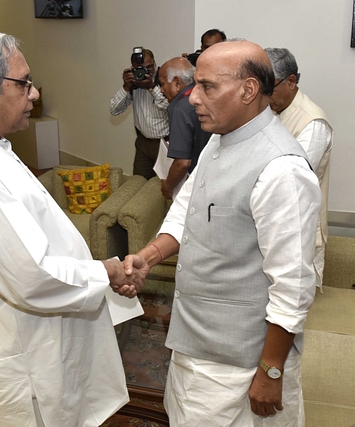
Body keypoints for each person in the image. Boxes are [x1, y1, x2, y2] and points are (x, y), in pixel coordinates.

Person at [0, 31, 145, 427]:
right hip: (13, 358)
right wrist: (107, 271)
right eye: (23, 83)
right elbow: (32, 275)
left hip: (27, 333)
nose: (33, 94)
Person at [126, 40, 321, 426]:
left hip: (240, 364)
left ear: (248, 90)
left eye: (207, 86)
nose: (192, 97)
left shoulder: (283, 169)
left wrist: (271, 371)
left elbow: (293, 285)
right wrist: (146, 257)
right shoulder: (219, 138)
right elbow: (187, 212)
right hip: (195, 344)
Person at [265, 47, 333, 291]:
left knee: (293, 308)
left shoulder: (312, 123)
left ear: (291, 81)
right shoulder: (272, 110)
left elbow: (289, 182)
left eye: (269, 88)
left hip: (298, 231)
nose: (263, 96)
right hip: (272, 230)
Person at [110, 48, 169, 179]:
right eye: (141, 68)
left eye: (150, 67)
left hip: (164, 143)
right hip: (143, 143)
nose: (146, 71)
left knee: (166, 185)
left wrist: (152, 87)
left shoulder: (164, 79)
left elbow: (170, 107)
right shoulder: (133, 84)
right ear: (133, 68)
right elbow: (114, 110)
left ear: (154, 63)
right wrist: (126, 87)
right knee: (138, 182)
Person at [157, 57, 211, 199]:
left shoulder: (181, 109)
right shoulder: (207, 94)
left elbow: (182, 162)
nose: (161, 90)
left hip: (196, 183)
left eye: (162, 84)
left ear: (176, 83)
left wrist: (167, 186)